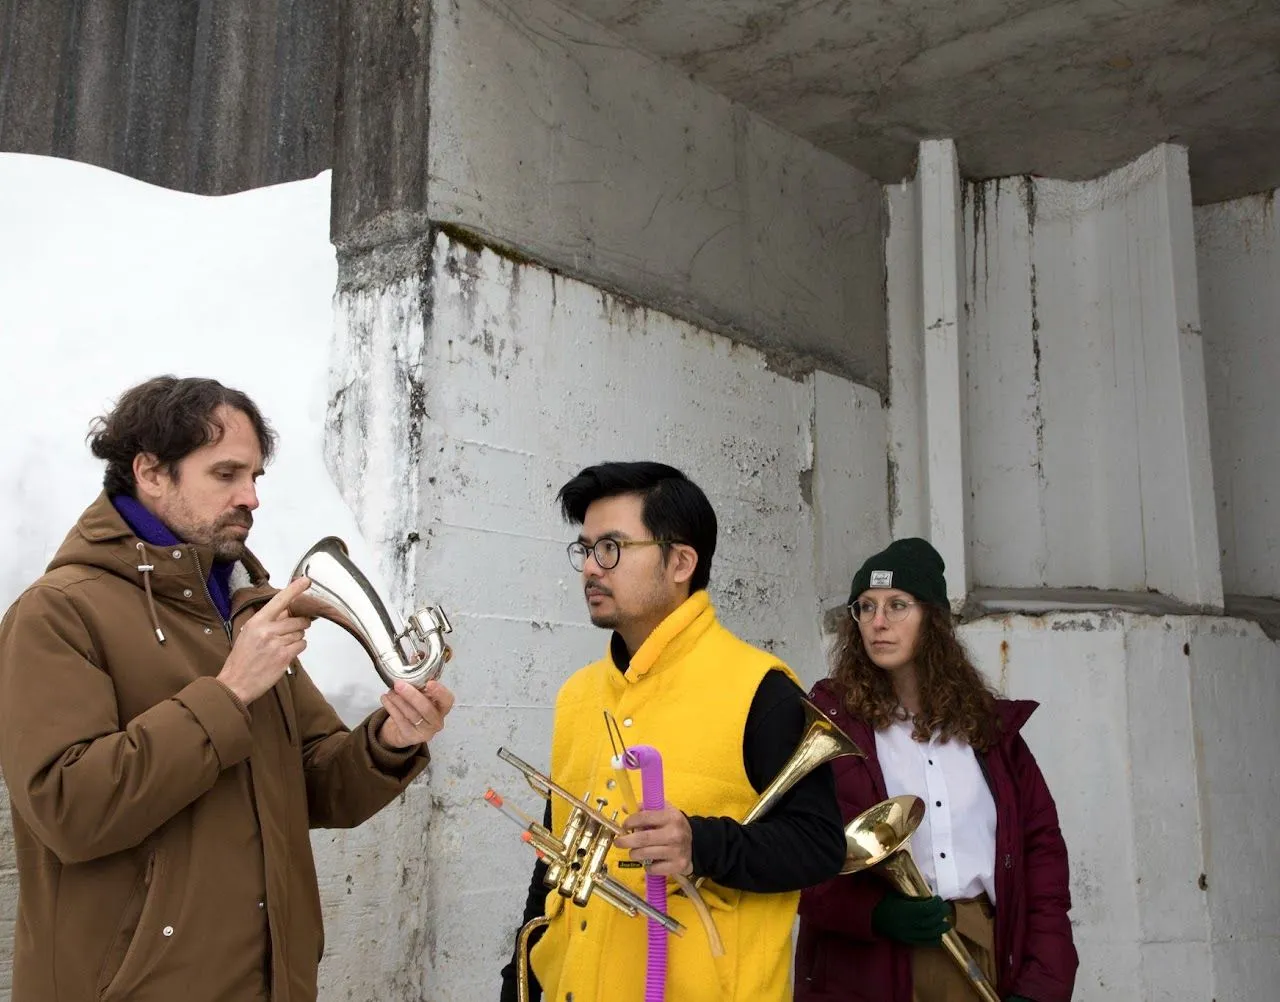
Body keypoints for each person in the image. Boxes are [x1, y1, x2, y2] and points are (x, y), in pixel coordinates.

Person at [0, 375, 455, 1002]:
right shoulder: (56, 613)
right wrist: (230, 690)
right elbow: (68, 810)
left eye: (255, 477)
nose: (251, 497)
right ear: (150, 472)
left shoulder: (243, 607)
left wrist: (389, 741)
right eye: (225, 474)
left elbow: (316, 785)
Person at [499, 461, 845, 1002]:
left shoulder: (761, 690)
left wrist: (701, 844)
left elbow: (821, 845)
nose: (589, 568)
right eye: (585, 549)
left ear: (681, 561)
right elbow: (557, 859)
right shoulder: (577, 696)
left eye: (611, 548)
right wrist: (516, 987)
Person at [795, 538, 1077, 1002]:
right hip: (870, 965)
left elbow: (1043, 863)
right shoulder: (831, 728)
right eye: (865, 607)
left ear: (933, 619)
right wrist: (874, 913)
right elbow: (792, 854)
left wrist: (1041, 987)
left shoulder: (990, 733)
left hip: (981, 947)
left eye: (897, 605)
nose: (878, 622)